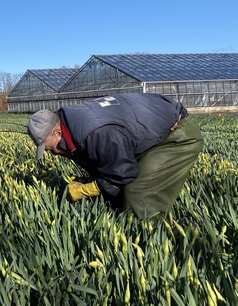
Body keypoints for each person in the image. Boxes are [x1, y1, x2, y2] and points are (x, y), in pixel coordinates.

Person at [27, 93, 203, 219]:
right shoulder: (68, 121)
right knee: (114, 183)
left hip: (176, 134)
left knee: (138, 191)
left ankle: (151, 238)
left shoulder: (97, 133)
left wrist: (84, 190)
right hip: (153, 128)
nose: (51, 152)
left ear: (57, 132)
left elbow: (122, 175)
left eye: (48, 147)